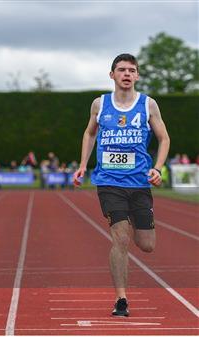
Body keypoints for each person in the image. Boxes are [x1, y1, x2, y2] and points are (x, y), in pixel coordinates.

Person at [73, 54, 170, 316]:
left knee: (147, 244)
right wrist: (83, 164)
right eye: (121, 70)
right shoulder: (100, 104)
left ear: (137, 76)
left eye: (131, 70)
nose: (126, 74)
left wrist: (157, 168)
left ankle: (136, 224)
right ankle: (121, 299)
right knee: (120, 239)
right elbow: (90, 132)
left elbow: (164, 138)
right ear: (112, 75)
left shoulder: (148, 105)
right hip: (109, 182)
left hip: (139, 182)